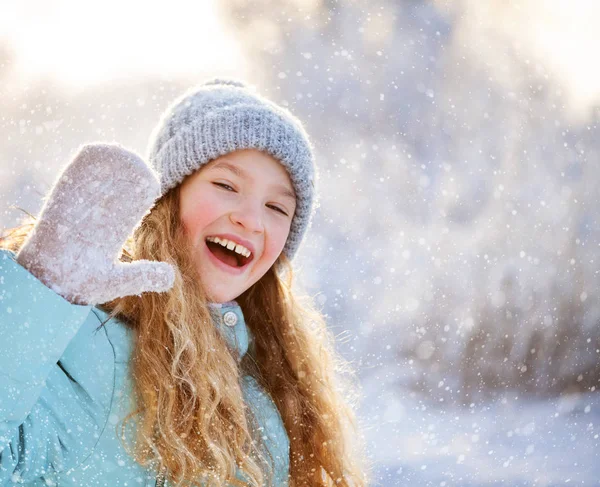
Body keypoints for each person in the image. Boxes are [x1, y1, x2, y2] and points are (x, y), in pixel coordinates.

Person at [0, 79, 368, 486]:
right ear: (169, 199)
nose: (252, 219)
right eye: (226, 186)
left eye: (277, 207)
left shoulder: (270, 374)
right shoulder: (98, 345)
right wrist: (42, 289)